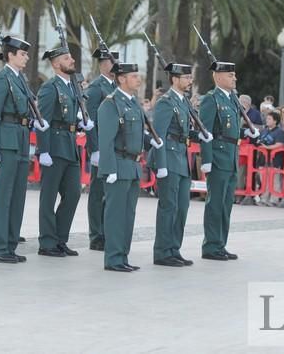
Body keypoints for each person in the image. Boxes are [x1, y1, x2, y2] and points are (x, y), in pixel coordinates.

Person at [0, 36, 47, 263]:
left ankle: (10, 245)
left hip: (21, 138)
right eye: (22, 54)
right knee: (3, 195)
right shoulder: (1, 79)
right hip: (6, 141)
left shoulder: (20, 79)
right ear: (10, 55)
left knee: (18, 195)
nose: (26, 57)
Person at [98, 62, 163, 272]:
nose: (138, 79)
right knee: (115, 215)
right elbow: (106, 140)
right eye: (134, 76)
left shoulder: (133, 103)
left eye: (138, 75)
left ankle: (122, 256)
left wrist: (149, 141)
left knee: (128, 215)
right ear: (121, 79)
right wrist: (108, 169)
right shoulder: (110, 104)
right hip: (117, 165)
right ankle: (113, 258)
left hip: (133, 165)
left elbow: (134, 133)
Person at [149, 63, 211, 267]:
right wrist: (161, 163)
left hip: (182, 160)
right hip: (168, 157)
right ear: (175, 79)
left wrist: (199, 135)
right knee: (169, 206)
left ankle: (174, 248)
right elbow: (159, 135)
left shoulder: (183, 101)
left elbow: (182, 133)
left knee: (182, 207)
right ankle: (162, 251)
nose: (190, 81)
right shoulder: (165, 103)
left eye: (190, 77)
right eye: (186, 78)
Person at [36, 46, 94, 257]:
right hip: (54, 147)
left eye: (71, 57)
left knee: (73, 194)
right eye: (66, 58)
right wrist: (43, 150)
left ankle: (60, 238)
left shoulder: (73, 88)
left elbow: (70, 115)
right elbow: (43, 121)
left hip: (70, 146)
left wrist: (81, 123)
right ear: (55, 64)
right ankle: (47, 242)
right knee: (49, 197)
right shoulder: (50, 88)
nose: (72, 60)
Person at [199, 61, 259, 261]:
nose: (235, 78)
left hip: (231, 156)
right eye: (230, 75)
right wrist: (206, 159)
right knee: (215, 204)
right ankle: (211, 246)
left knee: (225, 204)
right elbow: (205, 131)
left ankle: (220, 244)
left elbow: (230, 131)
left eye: (234, 75)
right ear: (217, 77)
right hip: (217, 156)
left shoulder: (232, 99)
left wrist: (246, 131)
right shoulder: (211, 99)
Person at [84, 48, 118, 251]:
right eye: (109, 61)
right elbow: (90, 121)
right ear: (102, 64)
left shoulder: (117, 86)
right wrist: (94, 148)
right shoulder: (96, 87)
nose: (113, 65)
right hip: (101, 148)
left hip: (115, 148)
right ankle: (96, 235)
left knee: (110, 193)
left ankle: (108, 231)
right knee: (98, 193)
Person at [256, 110, 284, 206]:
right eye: (267, 118)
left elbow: (280, 144)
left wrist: (267, 148)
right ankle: (264, 198)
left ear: (275, 121)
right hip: (262, 159)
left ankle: (274, 199)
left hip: (275, 160)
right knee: (264, 179)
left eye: (269, 119)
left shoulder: (280, 132)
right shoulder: (264, 131)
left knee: (274, 180)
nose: (267, 120)